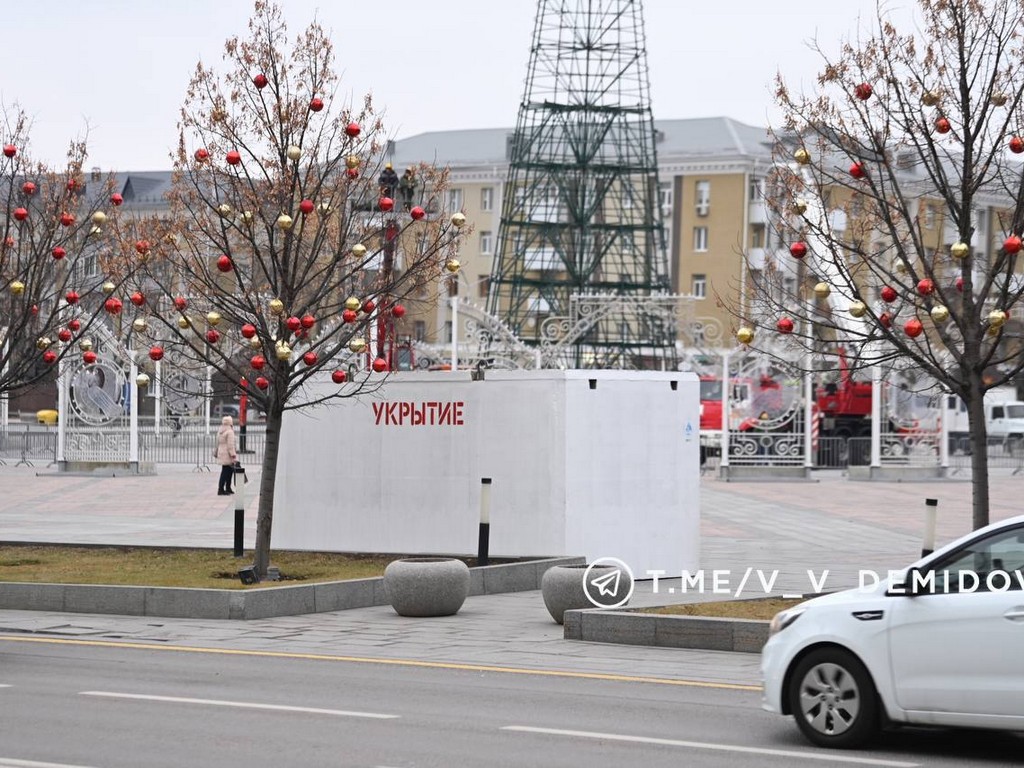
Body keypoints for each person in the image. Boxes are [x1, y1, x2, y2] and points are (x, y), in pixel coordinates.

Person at [215, 416, 238, 495]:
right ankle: (222, 489)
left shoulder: (220, 431)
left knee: (227, 471)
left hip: (221, 453)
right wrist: (233, 455)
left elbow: (217, 443)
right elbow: (230, 445)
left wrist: (216, 452)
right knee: (226, 472)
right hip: (227, 454)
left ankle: (227, 488)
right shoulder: (230, 432)